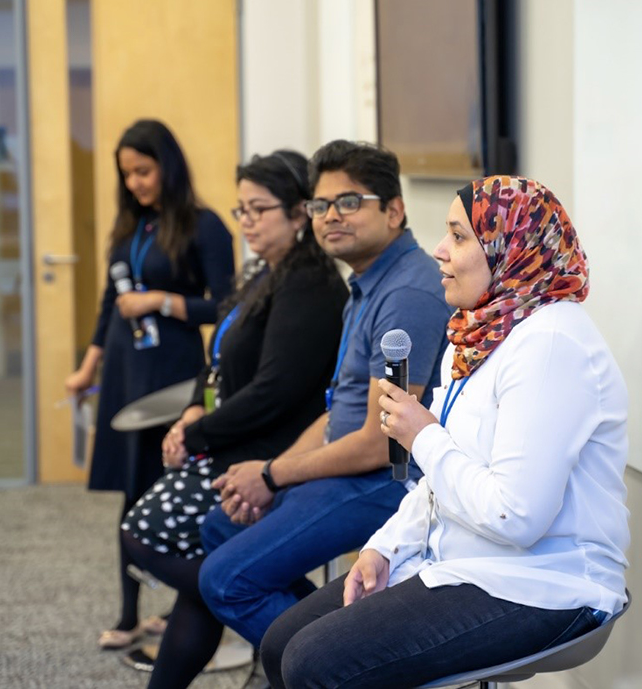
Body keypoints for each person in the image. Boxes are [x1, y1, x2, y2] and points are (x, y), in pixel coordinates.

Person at [260, 175, 631, 689]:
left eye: (458, 236)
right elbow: (438, 481)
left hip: (542, 584)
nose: (438, 250)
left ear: (511, 249)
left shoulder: (551, 345)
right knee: (281, 644)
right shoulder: (480, 332)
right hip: (459, 561)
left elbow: (515, 516)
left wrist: (423, 436)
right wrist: (384, 547)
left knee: (313, 662)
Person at [189, 139, 452, 676]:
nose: (331, 217)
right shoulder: (366, 283)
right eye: (319, 205)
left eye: (349, 202)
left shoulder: (406, 293)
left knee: (224, 579)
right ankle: (322, 653)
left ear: (394, 210)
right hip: (352, 466)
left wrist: (272, 472)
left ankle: (327, 667)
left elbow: (382, 442)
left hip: (387, 481)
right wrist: (267, 475)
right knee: (222, 526)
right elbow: (339, 410)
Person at [117, 149, 349, 687]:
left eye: (258, 210)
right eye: (240, 209)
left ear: (298, 214)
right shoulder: (262, 272)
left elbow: (273, 390)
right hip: (231, 438)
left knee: (143, 537)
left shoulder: (309, 283)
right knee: (198, 586)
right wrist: (195, 406)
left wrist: (194, 433)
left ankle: (315, 625)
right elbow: (218, 355)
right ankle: (272, 610)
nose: (245, 222)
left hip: (268, 450)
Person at [64, 119, 235, 650]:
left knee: (175, 489)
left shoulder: (204, 226)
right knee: (131, 493)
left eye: (144, 170)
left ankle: (187, 603)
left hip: (174, 376)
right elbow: (107, 307)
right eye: (127, 174)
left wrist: (162, 301)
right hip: (123, 372)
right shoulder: (129, 228)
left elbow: (227, 305)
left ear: (168, 166)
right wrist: (88, 367)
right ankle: (129, 612)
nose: (136, 182)